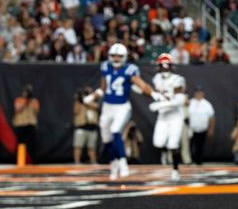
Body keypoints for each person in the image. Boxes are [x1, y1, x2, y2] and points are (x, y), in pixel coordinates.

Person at [83, 43, 159, 180]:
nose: (116, 59)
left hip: (122, 107)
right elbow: (103, 88)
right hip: (107, 106)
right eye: (114, 56)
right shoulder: (105, 66)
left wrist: (153, 93)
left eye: (119, 56)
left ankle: (123, 164)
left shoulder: (129, 70)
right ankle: (114, 164)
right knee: (106, 138)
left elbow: (142, 85)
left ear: (124, 57)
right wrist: (92, 96)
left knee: (115, 130)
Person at [149, 53, 187, 181]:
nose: (165, 68)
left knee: (173, 144)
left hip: (175, 116)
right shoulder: (156, 79)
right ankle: (165, 154)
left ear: (171, 66)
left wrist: (160, 104)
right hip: (163, 115)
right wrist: (157, 97)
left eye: (167, 65)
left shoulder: (178, 79)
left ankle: (175, 170)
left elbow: (179, 100)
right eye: (162, 65)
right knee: (158, 143)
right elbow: (158, 94)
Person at [188, 87, 215, 165]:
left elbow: (212, 117)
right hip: (191, 129)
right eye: (197, 92)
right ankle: (188, 162)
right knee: (189, 146)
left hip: (203, 129)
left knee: (200, 147)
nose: (198, 94)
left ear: (203, 93)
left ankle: (198, 162)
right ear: (194, 93)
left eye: (200, 92)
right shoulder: (190, 102)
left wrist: (211, 129)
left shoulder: (207, 104)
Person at [13, 84, 39, 162]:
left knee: (32, 144)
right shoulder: (19, 100)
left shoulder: (34, 101)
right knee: (20, 143)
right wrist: (24, 100)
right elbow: (18, 109)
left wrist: (30, 101)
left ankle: (33, 161)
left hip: (30, 124)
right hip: (20, 124)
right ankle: (19, 160)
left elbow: (36, 111)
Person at [73, 87, 99, 164]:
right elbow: (76, 111)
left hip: (92, 127)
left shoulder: (93, 101)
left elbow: (96, 106)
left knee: (92, 147)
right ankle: (77, 162)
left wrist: (86, 100)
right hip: (81, 127)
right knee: (78, 146)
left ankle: (93, 162)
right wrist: (79, 100)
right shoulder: (79, 102)